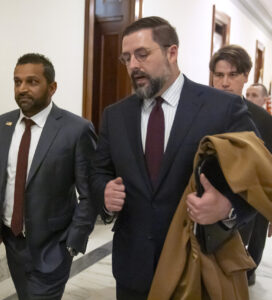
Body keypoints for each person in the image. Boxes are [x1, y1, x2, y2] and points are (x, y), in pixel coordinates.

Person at [89, 16, 257, 300]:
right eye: (126, 58)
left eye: (142, 55)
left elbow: (258, 173)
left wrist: (227, 208)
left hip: (198, 265)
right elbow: (97, 172)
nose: (133, 65)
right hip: (133, 270)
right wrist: (103, 193)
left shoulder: (223, 107)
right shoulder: (115, 116)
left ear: (172, 52)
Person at [0, 53, 97, 300]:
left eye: (32, 82)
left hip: (54, 246)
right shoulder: (2, 125)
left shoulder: (76, 130)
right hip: (13, 244)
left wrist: (74, 241)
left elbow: (89, 193)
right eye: (17, 81)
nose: (22, 88)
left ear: (52, 88)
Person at [210, 47, 272, 286]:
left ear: (246, 76)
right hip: (204, 207)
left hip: (248, 210)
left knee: (241, 276)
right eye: (219, 75)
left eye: (232, 75)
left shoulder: (264, 120)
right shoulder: (198, 111)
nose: (225, 82)